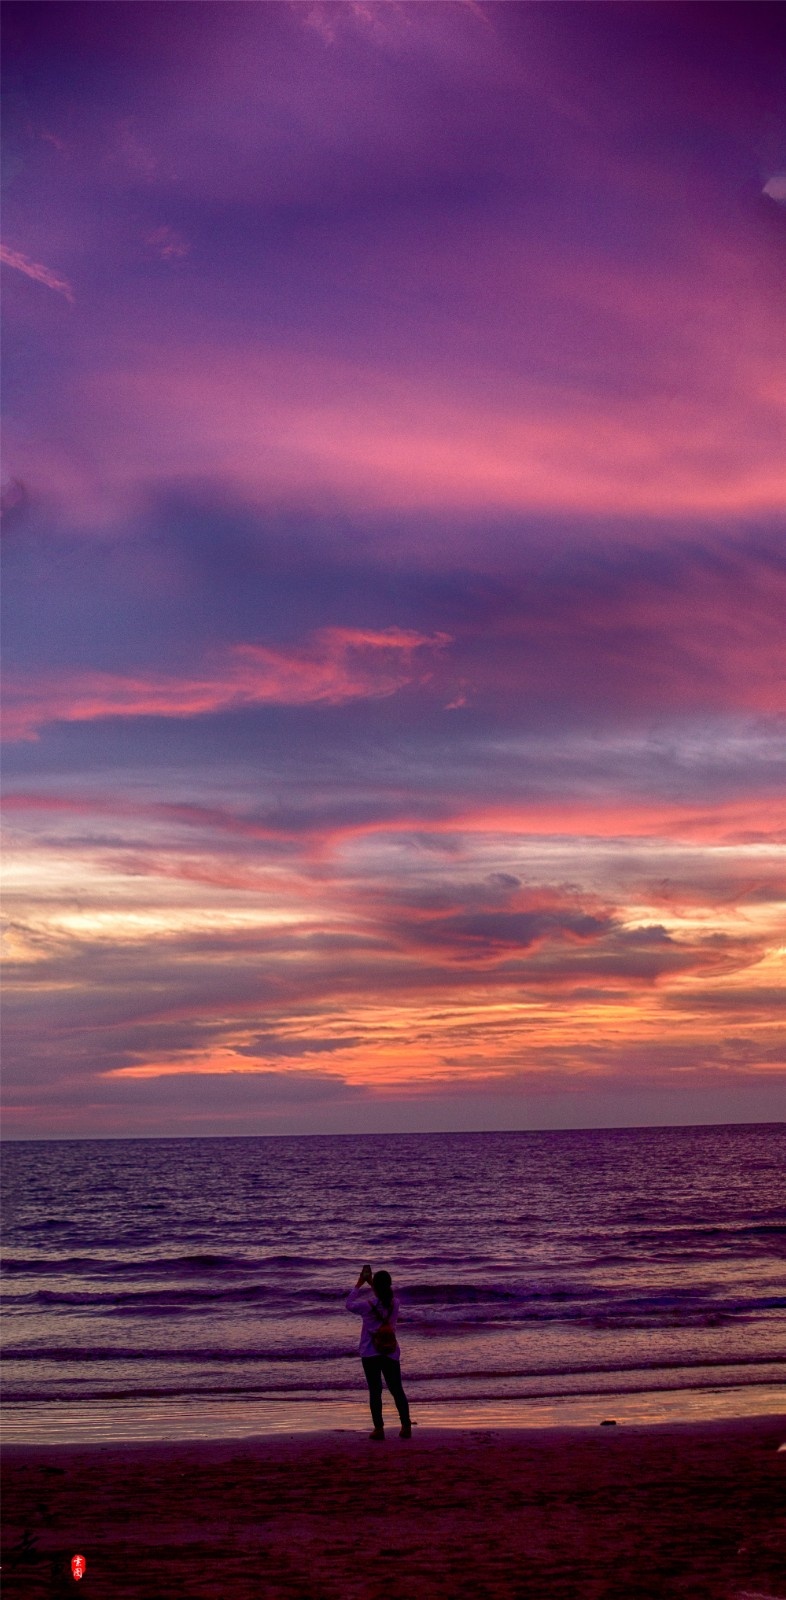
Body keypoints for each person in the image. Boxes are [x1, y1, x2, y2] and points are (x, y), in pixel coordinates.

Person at [346, 1263, 412, 1441]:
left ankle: (379, 1429)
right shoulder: (395, 1304)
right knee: (397, 1389)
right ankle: (406, 1426)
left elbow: (348, 1304)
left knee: (375, 1391)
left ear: (375, 1285)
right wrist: (372, 1283)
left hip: (370, 1352)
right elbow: (383, 1295)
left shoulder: (367, 1306)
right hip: (390, 1351)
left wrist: (360, 1284)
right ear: (390, 1285)